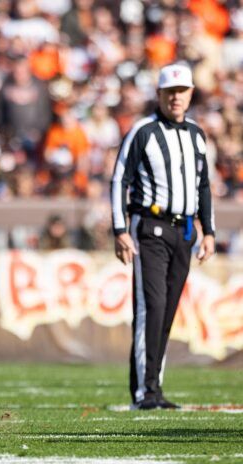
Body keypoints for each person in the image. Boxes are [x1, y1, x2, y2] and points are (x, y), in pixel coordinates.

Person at [110, 63, 215, 410]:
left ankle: (155, 386)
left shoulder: (197, 134)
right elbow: (119, 179)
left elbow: (203, 185)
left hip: (184, 230)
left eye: (182, 91)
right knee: (151, 308)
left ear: (190, 93)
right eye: (170, 92)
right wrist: (120, 229)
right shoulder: (143, 131)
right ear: (159, 95)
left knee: (168, 311)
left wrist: (209, 231)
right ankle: (144, 391)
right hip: (150, 228)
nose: (176, 98)